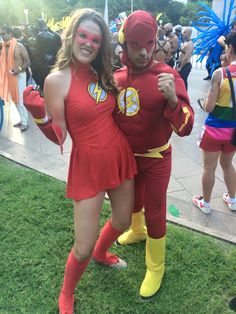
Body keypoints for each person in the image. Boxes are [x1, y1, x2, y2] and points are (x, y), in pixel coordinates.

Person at [23, 8, 137, 314]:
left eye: (95, 40)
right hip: (87, 162)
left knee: (123, 220)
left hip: (119, 154)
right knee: (82, 246)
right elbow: (60, 136)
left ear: (102, 45)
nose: (88, 43)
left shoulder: (104, 73)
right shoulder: (56, 81)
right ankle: (66, 294)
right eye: (83, 36)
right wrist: (42, 117)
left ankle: (102, 253)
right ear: (72, 36)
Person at [114, 10, 194, 300]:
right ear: (125, 44)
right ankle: (137, 230)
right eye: (135, 44)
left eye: (148, 43)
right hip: (127, 157)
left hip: (157, 157)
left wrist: (172, 98)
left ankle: (156, 265)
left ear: (155, 40)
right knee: (132, 201)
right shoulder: (117, 77)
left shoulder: (168, 76)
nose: (143, 51)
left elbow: (186, 127)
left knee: (156, 207)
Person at [193, 31, 236, 214]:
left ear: (230, 47)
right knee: (228, 164)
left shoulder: (220, 74)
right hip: (233, 131)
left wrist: (203, 102)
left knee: (209, 168)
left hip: (214, 130)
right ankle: (233, 200)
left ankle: (206, 204)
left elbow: (210, 107)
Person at [0, 25, 31, 131]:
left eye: (3, 34)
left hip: (20, 75)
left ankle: (25, 123)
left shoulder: (19, 46)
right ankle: (22, 120)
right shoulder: (3, 47)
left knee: (20, 100)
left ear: (10, 34)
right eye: (0, 34)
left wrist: (18, 68)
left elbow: (28, 62)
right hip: (9, 76)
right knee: (15, 100)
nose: (2, 36)